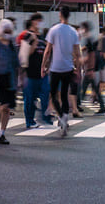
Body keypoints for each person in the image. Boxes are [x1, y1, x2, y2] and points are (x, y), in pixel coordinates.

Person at [44, 7, 81, 136]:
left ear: (60, 15)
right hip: (68, 68)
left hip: (55, 68)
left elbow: (48, 50)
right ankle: (65, 117)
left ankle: (61, 117)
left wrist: (43, 66)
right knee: (64, 95)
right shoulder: (73, 32)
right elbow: (77, 53)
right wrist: (78, 69)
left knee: (54, 95)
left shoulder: (53, 30)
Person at [0, 19, 21, 144]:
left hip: (10, 78)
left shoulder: (12, 45)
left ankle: (2, 133)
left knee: (6, 108)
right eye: (5, 30)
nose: (8, 33)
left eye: (9, 30)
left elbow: (17, 64)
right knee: (3, 106)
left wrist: (19, 79)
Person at [20, 15, 51, 129]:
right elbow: (24, 55)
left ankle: (45, 117)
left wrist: (47, 65)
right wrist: (33, 42)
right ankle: (30, 120)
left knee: (45, 94)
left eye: (41, 21)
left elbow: (46, 52)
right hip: (29, 73)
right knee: (30, 98)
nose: (40, 23)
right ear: (33, 22)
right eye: (38, 21)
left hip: (42, 73)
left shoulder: (43, 37)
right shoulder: (27, 36)